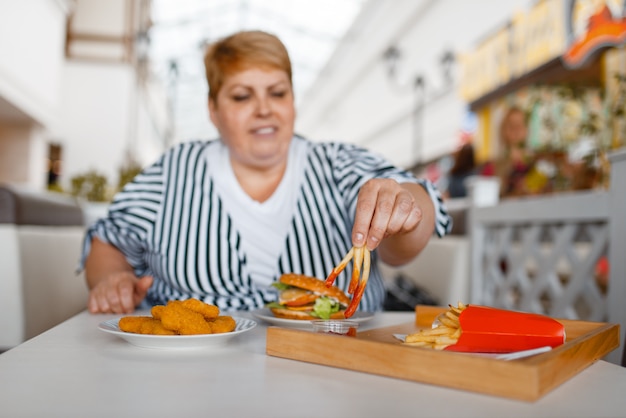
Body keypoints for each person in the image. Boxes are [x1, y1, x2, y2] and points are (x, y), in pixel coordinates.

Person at [79, 30, 452, 314]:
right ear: (213, 109)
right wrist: (112, 279)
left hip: (332, 370)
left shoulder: (338, 163)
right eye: (242, 96)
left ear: (292, 100)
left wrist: (404, 207)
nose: (264, 109)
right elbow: (108, 241)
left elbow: (411, 216)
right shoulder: (173, 172)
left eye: (277, 92)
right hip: (188, 372)